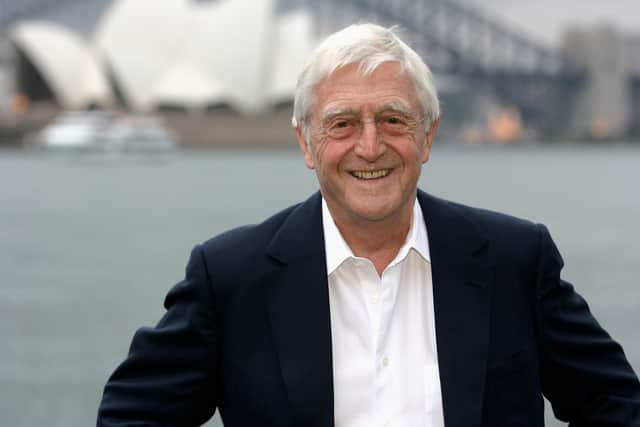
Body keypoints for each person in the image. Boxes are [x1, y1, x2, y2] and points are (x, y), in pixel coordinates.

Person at [97, 23, 640, 427]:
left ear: (427, 136)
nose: (370, 146)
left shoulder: (516, 259)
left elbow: (616, 404)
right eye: (341, 124)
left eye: (393, 119)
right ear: (306, 143)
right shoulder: (231, 276)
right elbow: (130, 417)